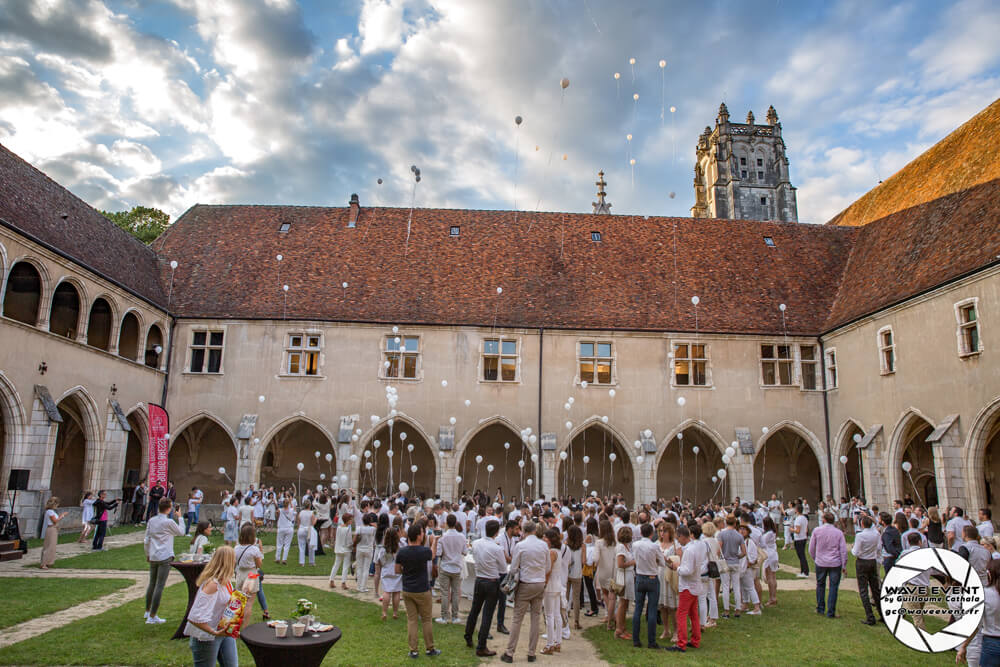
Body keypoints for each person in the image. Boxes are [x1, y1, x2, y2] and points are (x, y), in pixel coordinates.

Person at [502, 521, 549, 663]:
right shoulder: (543, 545)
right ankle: (531, 652)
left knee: (517, 618)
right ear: (535, 530)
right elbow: (547, 567)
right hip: (539, 583)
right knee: (535, 617)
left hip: (526, 583)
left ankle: (510, 652)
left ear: (524, 530)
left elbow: (514, 568)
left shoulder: (521, 546)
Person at [185, 546, 238, 667]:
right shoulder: (213, 585)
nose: (235, 562)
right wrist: (214, 632)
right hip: (206, 636)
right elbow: (195, 617)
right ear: (227, 561)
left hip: (224, 631)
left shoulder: (227, 581)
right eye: (233, 559)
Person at [396, 523, 441, 659]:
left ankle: (413, 650)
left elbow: (397, 570)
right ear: (418, 536)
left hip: (408, 589)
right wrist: (435, 541)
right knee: (426, 620)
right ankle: (429, 648)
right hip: (422, 589)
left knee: (412, 620)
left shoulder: (402, 552)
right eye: (422, 533)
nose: (423, 535)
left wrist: (407, 571)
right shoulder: (423, 551)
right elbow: (432, 555)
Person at [465, 519, 506, 657]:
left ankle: (468, 635)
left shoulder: (476, 543)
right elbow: (502, 568)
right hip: (491, 581)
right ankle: (481, 646)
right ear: (496, 532)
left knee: (474, 610)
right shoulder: (496, 548)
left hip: (480, 579)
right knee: (487, 614)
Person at [143, 497, 185, 624]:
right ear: (169, 509)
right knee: (159, 586)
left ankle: (147, 611)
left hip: (154, 555)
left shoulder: (152, 520)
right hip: (165, 555)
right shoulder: (168, 522)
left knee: (152, 583)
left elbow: (146, 539)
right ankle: (152, 615)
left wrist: (148, 553)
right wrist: (180, 517)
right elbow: (181, 532)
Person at [667, 524, 706, 652]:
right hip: (694, 584)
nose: (678, 540)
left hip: (688, 586)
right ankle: (695, 639)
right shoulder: (698, 546)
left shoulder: (689, 550)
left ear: (683, 536)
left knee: (681, 614)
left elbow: (687, 570)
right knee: (693, 614)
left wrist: (676, 568)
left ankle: (681, 643)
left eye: (678, 538)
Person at [958, 558, 1000, 666]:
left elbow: (976, 624)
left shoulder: (984, 594)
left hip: (992, 642)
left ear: (989, 574)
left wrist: (964, 646)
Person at [631, 522, 665, 649]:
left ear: (641, 533)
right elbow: (662, 562)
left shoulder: (635, 545)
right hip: (651, 577)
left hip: (640, 576)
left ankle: (636, 639)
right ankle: (651, 641)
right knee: (651, 609)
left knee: (638, 609)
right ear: (652, 534)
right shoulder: (654, 546)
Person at [809, 511, 847, 618]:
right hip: (835, 562)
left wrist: (815, 558)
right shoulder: (838, 532)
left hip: (821, 561)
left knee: (820, 585)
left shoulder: (817, 530)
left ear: (824, 520)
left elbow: (811, 548)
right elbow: (843, 550)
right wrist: (844, 564)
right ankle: (831, 611)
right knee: (833, 587)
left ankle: (820, 608)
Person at [435, 513, 467, 624]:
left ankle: (444, 617)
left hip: (446, 566)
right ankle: (454, 616)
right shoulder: (461, 537)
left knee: (445, 592)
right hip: (456, 567)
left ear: (447, 523)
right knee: (455, 592)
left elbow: (439, 553)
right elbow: (465, 552)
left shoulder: (443, 537)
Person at [235, 524, 269, 620]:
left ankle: (235, 625)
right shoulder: (254, 549)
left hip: (240, 573)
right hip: (251, 574)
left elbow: (234, 563)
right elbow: (259, 565)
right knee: (249, 603)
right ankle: (244, 628)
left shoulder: (236, 548)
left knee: (239, 602)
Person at [541, 528, 565, 656]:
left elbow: (548, 570)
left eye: (545, 537)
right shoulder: (558, 551)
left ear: (550, 540)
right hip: (557, 584)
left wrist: (544, 584)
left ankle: (550, 644)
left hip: (550, 585)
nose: (544, 539)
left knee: (549, 615)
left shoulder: (551, 552)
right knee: (556, 614)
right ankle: (557, 642)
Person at [718, 514, 745, 617]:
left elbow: (719, 549)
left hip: (725, 562)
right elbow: (744, 552)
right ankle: (737, 609)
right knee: (736, 586)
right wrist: (737, 556)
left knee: (725, 586)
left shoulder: (722, 534)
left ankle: (726, 610)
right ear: (735, 523)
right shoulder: (739, 535)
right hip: (735, 562)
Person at [614, 526, 635, 640]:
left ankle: (623, 627)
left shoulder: (627, 547)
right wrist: (633, 562)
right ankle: (619, 629)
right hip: (624, 576)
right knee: (622, 603)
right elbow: (620, 564)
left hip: (628, 575)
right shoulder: (621, 547)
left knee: (625, 603)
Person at [596, 519, 618, 632]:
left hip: (603, 570)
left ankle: (611, 618)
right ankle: (611, 618)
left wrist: (595, 565)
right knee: (612, 596)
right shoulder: (615, 542)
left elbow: (596, 558)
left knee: (606, 594)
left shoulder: (599, 542)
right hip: (613, 570)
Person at [378, 524, 403, 620]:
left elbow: (381, 559)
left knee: (386, 591)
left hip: (387, 569)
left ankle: (384, 612)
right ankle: (395, 612)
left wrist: (385, 565)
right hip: (397, 569)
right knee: (396, 592)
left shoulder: (384, 549)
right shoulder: (399, 547)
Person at [738, 524, 762, 615]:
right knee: (743, 587)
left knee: (750, 587)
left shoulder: (749, 542)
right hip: (741, 568)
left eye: (744, 529)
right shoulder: (740, 541)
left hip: (747, 568)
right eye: (740, 529)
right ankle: (745, 604)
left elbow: (753, 556)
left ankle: (756, 607)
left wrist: (749, 564)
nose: (742, 531)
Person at [565, 525, 585, 630]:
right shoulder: (582, 546)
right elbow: (584, 561)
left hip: (567, 573)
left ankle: (564, 617)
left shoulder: (566, 545)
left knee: (566, 596)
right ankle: (576, 621)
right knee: (576, 598)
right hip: (577, 573)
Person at [40, 497, 67, 569]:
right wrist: (62, 515)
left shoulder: (52, 511)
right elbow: (55, 520)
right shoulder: (49, 512)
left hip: (54, 529)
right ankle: (44, 563)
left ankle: (49, 562)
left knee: (52, 546)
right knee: (48, 546)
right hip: (51, 528)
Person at [330, 511, 354, 588]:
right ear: (347, 520)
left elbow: (337, 538)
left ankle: (331, 580)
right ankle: (343, 582)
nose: (352, 521)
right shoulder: (348, 529)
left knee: (336, 564)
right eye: (350, 519)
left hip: (338, 548)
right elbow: (349, 541)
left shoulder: (339, 527)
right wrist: (352, 545)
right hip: (346, 549)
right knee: (345, 566)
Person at [355, 512, 377, 592]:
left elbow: (355, 539)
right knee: (366, 568)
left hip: (360, 548)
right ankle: (363, 587)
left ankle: (359, 586)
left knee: (359, 567)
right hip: (369, 549)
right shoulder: (373, 529)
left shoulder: (359, 528)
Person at [761, 516, 779, 606]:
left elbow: (762, 543)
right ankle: (773, 596)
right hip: (773, 554)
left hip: (769, 555)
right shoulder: (772, 532)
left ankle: (772, 598)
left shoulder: (768, 534)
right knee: (773, 577)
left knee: (770, 577)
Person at [274, 498, 295, 564]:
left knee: (279, 544)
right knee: (287, 545)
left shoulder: (279, 510)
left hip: (281, 528)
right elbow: (293, 507)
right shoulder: (291, 510)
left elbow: (276, 516)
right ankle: (284, 559)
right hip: (289, 528)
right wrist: (291, 501)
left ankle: (277, 558)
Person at [297, 499, 317, 566]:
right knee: (311, 546)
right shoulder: (311, 513)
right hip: (309, 529)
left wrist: (299, 528)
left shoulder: (301, 512)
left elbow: (298, 522)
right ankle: (311, 562)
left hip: (301, 529)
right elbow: (313, 523)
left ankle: (301, 562)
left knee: (301, 546)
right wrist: (316, 519)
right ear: (309, 505)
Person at [791, 503, 810, 577]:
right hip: (803, 537)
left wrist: (792, 529)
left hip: (799, 539)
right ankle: (803, 571)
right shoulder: (804, 518)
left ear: (796, 510)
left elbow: (798, 530)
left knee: (801, 556)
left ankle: (805, 572)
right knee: (801, 555)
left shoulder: (798, 519)